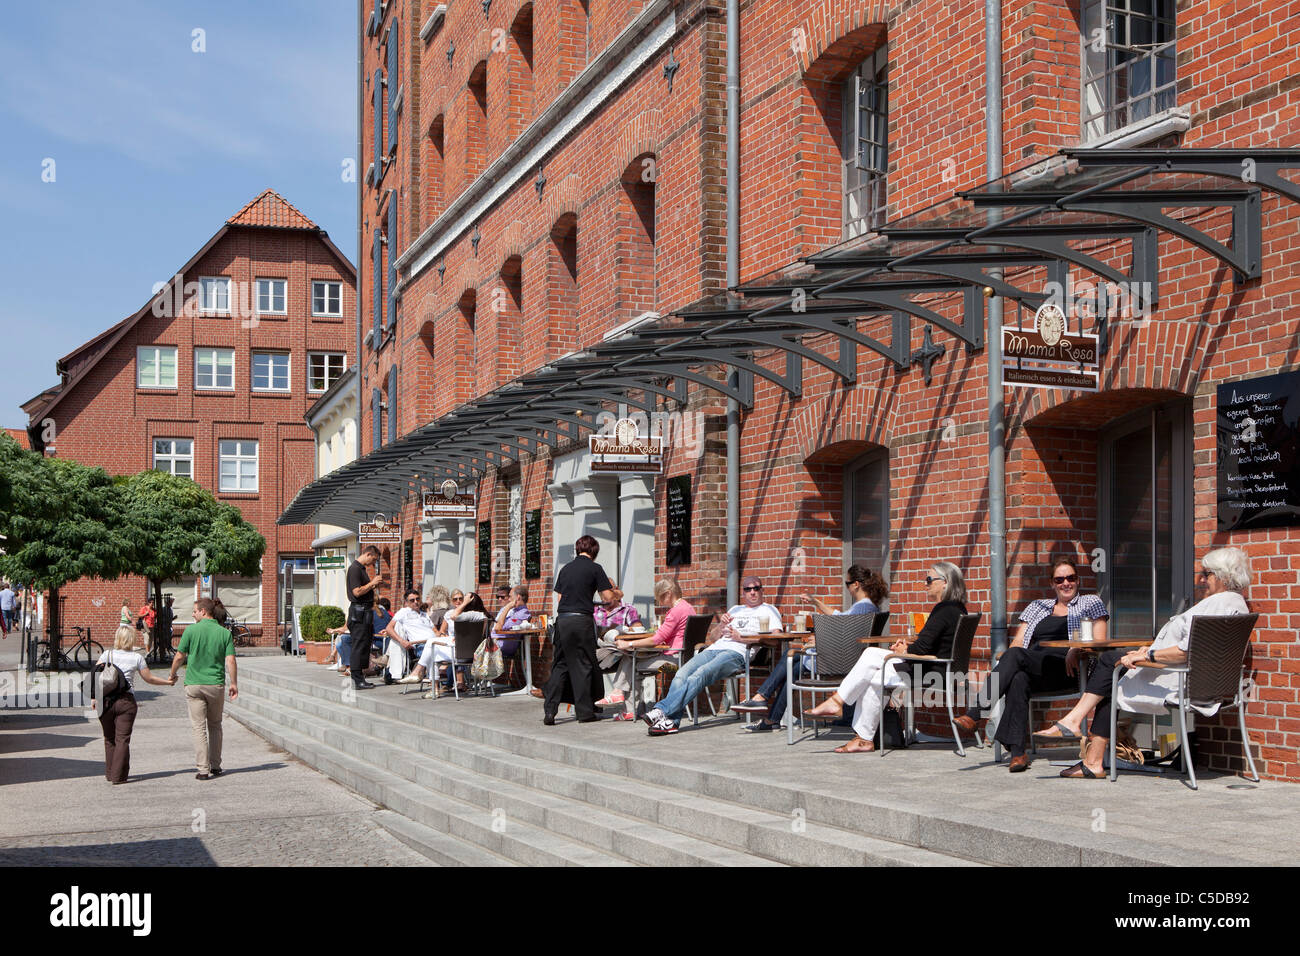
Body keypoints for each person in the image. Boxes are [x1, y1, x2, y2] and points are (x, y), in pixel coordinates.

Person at [1046, 547, 1252, 779]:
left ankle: (1081, 736)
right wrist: (1149, 651)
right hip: (1203, 682)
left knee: (1109, 667)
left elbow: (1186, 651)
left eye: (1207, 573)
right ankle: (1086, 746)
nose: (1202, 579)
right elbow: (1197, 649)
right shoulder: (1236, 605)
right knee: (1112, 669)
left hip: (1178, 680)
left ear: (1223, 576)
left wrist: (1147, 657)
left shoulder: (1216, 605)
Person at [953, 558, 1108, 772]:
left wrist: (1076, 648)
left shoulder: (1090, 603)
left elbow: (1100, 643)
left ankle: (976, 713)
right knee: (1017, 677)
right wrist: (1008, 659)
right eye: (1059, 579)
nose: (1066, 583)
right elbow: (1018, 644)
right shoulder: (1037, 607)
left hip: (1069, 670)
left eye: (1070, 578)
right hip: (1037, 668)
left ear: (1078, 580)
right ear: (1052, 583)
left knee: (1016, 659)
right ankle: (1018, 754)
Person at [805, 562, 968, 753]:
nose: (925, 584)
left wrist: (902, 651)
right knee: (873, 676)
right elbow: (931, 646)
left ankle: (839, 704)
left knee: (871, 654)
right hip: (940, 668)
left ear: (945, 583)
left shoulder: (944, 610)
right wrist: (906, 648)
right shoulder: (957, 609)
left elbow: (922, 649)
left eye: (929, 579)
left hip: (931, 670)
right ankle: (861, 736)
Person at [734, 565, 888, 731]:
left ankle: (763, 699)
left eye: (847, 584)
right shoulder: (867, 607)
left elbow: (844, 634)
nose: (848, 588)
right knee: (792, 666)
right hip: (846, 658)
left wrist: (820, 641)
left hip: (837, 662)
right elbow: (841, 621)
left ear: (856, 584)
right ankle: (770, 715)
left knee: (790, 656)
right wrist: (816, 603)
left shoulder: (862, 607)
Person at [643, 574, 780, 736]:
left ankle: (662, 710)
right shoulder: (735, 609)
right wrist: (721, 624)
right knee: (681, 674)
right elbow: (713, 638)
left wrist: (742, 638)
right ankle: (671, 722)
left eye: (756, 588)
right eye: (748, 589)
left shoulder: (769, 610)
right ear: (743, 592)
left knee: (700, 674)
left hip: (736, 652)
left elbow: (775, 640)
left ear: (761, 590)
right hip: (713, 649)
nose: (752, 592)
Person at [544, 535, 616, 725]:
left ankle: (550, 711)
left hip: (563, 620)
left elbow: (560, 599)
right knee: (583, 664)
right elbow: (608, 597)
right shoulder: (595, 568)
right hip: (581, 620)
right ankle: (584, 712)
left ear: (578, 550)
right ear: (594, 551)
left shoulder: (565, 569)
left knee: (560, 665)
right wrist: (616, 593)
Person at [602, 579, 695, 719]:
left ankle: (627, 705)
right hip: (685, 661)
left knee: (632, 661)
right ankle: (625, 703)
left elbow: (656, 639)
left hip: (672, 665)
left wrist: (629, 645)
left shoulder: (675, 611)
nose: (660, 603)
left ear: (668, 594)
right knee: (632, 661)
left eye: (660, 598)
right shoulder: (688, 607)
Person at [168, 598, 237, 780]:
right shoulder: (224, 633)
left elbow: (179, 656)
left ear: (204, 612)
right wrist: (234, 683)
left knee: (198, 727)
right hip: (215, 684)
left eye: (194, 611)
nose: (192, 614)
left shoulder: (190, 631)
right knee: (215, 725)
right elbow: (230, 660)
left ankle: (203, 770)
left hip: (194, 684)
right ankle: (216, 765)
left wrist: (172, 674)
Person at [97, 625, 175, 784]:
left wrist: (94, 698)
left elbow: (95, 676)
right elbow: (149, 678)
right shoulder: (137, 658)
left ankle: (110, 773)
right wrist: (167, 682)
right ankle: (119, 776)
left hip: (105, 701)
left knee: (109, 738)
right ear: (131, 640)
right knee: (122, 739)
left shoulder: (106, 654)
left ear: (117, 638)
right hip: (126, 701)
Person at [401, 591, 488, 694]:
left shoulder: (472, 614)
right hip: (470, 652)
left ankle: (421, 675)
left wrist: (464, 604)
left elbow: (454, 616)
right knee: (432, 647)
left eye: (464, 599)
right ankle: (431, 686)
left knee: (432, 648)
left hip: (462, 653)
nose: (461, 601)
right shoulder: (481, 615)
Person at [344, 545, 385, 690]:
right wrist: (372, 583)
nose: (373, 563)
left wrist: (372, 588)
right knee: (359, 645)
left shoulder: (361, 569)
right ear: (368, 554)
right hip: (359, 613)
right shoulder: (355, 569)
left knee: (364, 645)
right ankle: (357, 679)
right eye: (373, 559)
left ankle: (360, 677)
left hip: (364, 612)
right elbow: (356, 592)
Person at [385, 588, 445, 681]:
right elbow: (389, 628)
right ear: (406, 602)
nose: (416, 602)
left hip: (435, 643)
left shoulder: (424, 614)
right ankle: (434, 684)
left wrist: (440, 634)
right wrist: (402, 641)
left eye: (418, 599)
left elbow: (435, 631)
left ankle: (451, 682)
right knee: (433, 654)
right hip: (420, 645)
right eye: (412, 600)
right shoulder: (404, 612)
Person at [492, 584, 533, 661]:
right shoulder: (514, 611)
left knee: (475, 649)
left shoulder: (523, 613)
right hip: (497, 642)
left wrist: (507, 607)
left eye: (510, 596)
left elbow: (498, 628)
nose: (509, 600)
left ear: (518, 597)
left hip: (504, 645)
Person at [152, 595, 176, 663]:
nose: (172, 604)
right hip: (164, 628)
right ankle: (161, 653)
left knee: (168, 640)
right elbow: (160, 618)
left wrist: (172, 619)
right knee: (163, 641)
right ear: (167, 602)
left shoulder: (170, 610)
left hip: (168, 627)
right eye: (171, 602)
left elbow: (169, 619)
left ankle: (165, 652)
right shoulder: (163, 609)